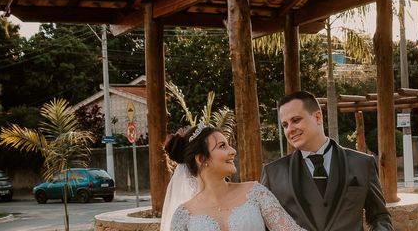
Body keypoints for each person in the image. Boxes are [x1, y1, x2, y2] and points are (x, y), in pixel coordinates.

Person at [261, 91, 394, 231]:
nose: (290, 129)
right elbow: (264, 226)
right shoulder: (272, 174)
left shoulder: (362, 163)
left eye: (295, 120)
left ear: (318, 117)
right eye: (285, 125)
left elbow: (380, 217)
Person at [161, 123, 305, 231]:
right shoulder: (183, 215)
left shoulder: (255, 192)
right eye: (222, 146)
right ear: (201, 159)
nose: (233, 151)